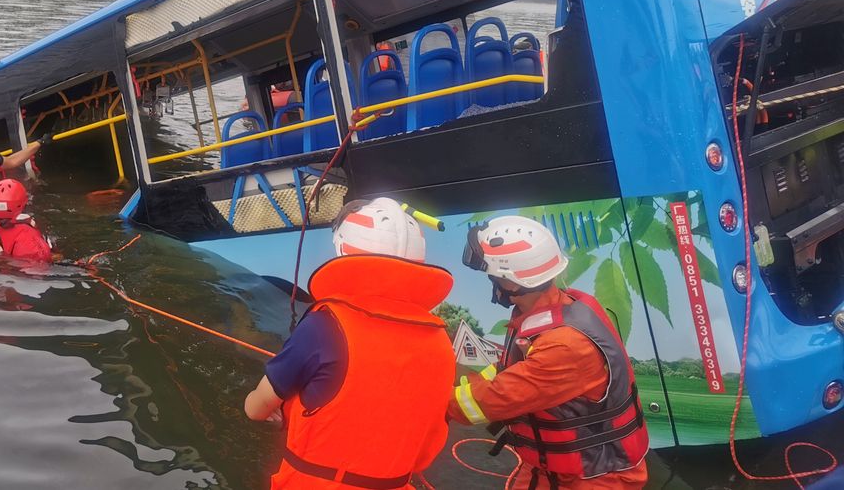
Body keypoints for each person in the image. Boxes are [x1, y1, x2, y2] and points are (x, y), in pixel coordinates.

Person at [244, 197, 457, 490]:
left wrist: (263, 405)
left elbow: (256, 409)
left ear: (344, 250)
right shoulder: (440, 341)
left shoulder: (324, 326)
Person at [449, 216, 649, 490]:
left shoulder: (564, 346)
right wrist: (456, 381)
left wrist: (436, 402)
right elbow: (510, 372)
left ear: (510, 283)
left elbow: (495, 400)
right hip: (552, 469)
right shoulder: (550, 310)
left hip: (595, 478)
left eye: (492, 275)